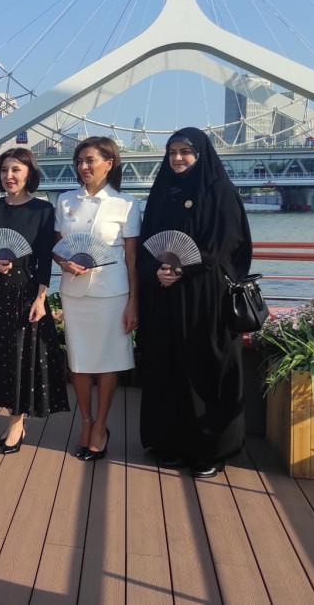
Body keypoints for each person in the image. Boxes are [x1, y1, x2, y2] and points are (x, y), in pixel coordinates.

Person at [138, 128, 253, 479]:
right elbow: (147, 241)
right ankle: (170, 442)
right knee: (168, 365)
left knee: (206, 365)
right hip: (165, 294)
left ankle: (211, 450)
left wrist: (183, 268)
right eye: (172, 152)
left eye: (185, 152)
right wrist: (158, 270)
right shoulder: (162, 192)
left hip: (206, 295)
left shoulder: (220, 192)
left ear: (201, 154)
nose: (177, 158)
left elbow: (225, 243)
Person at [0, 148, 68, 453]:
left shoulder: (42, 210)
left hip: (25, 290)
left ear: (29, 173)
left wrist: (41, 298)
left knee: (21, 355)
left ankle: (16, 423)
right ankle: (12, 417)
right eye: (4, 170)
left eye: (16, 170)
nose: (9, 176)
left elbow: (45, 259)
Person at [54, 136, 140, 461]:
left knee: (107, 362)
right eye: (79, 161)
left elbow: (132, 259)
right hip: (74, 292)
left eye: (90, 160)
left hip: (112, 293)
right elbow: (58, 248)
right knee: (78, 361)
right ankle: (86, 421)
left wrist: (134, 303)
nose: (83, 166)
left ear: (109, 163)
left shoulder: (126, 204)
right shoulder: (65, 200)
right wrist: (64, 262)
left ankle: (101, 426)